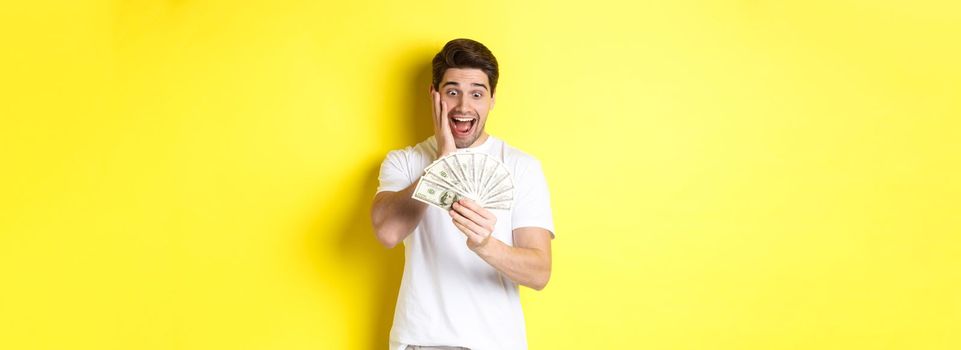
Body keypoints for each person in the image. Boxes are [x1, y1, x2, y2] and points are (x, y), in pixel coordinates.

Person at [370, 38, 555, 350]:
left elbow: (539, 272)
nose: (464, 107)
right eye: (452, 91)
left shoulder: (522, 167)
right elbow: (387, 232)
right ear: (435, 95)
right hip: (420, 341)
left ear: (492, 99)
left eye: (477, 94)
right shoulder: (405, 162)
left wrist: (485, 244)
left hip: (495, 344)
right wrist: (442, 164)